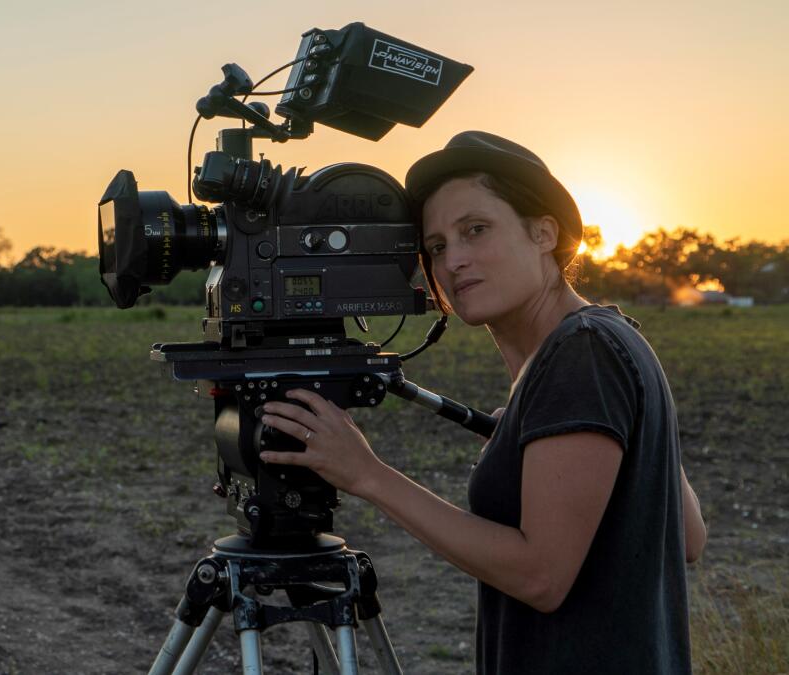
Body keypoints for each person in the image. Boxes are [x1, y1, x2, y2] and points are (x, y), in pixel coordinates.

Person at [258, 131, 707, 674]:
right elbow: (686, 534)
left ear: (544, 233)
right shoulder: (607, 337)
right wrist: (530, 435)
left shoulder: (582, 353)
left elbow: (539, 576)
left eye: (476, 230)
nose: (455, 261)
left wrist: (367, 474)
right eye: (438, 246)